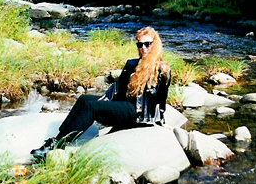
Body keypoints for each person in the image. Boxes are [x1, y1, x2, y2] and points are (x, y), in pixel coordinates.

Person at [30, 26, 171, 160]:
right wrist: (108, 102)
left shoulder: (161, 69)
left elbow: (158, 98)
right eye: (140, 45)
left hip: (141, 114)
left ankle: (57, 145)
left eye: (148, 44)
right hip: (128, 106)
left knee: (93, 108)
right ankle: (59, 137)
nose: (143, 48)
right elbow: (117, 90)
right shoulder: (132, 64)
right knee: (84, 100)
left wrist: (159, 120)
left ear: (155, 44)